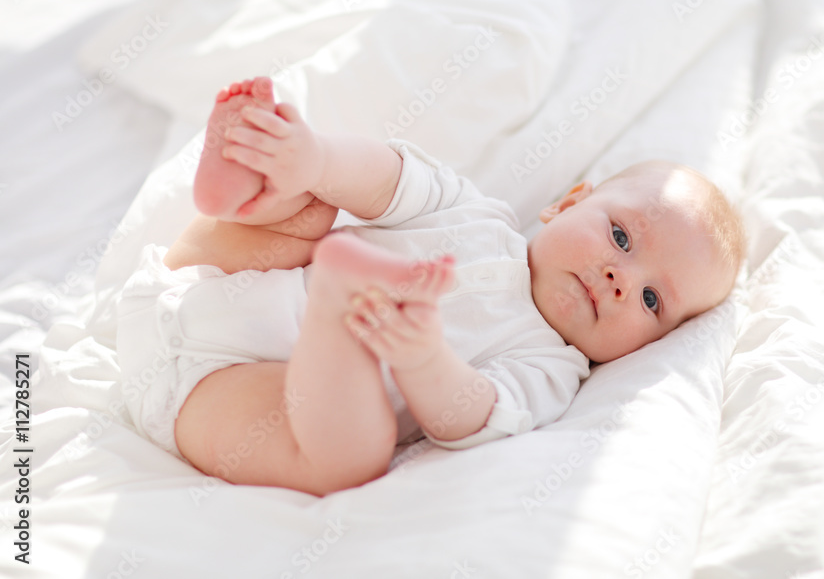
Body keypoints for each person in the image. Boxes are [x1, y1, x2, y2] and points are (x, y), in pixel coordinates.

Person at [116, 77, 745, 496]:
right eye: (621, 239)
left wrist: (424, 357)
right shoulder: (475, 214)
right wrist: (319, 161)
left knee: (349, 458)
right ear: (565, 203)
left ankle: (339, 302)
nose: (618, 279)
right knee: (317, 206)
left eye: (651, 300)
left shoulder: (549, 366)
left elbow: (473, 413)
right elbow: (395, 177)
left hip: (214, 390)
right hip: (207, 277)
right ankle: (255, 185)